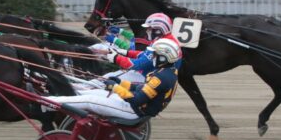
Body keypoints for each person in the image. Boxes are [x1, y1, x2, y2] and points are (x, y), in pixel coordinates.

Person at [45, 38, 181, 120]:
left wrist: (115, 88)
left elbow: (138, 99)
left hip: (134, 111)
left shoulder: (160, 77)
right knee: (94, 93)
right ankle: (55, 98)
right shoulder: (168, 72)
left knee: (90, 100)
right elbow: (140, 89)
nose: (153, 57)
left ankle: (46, 102)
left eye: (155, 55)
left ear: (164, 57)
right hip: (136, 108)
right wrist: (120, 83)